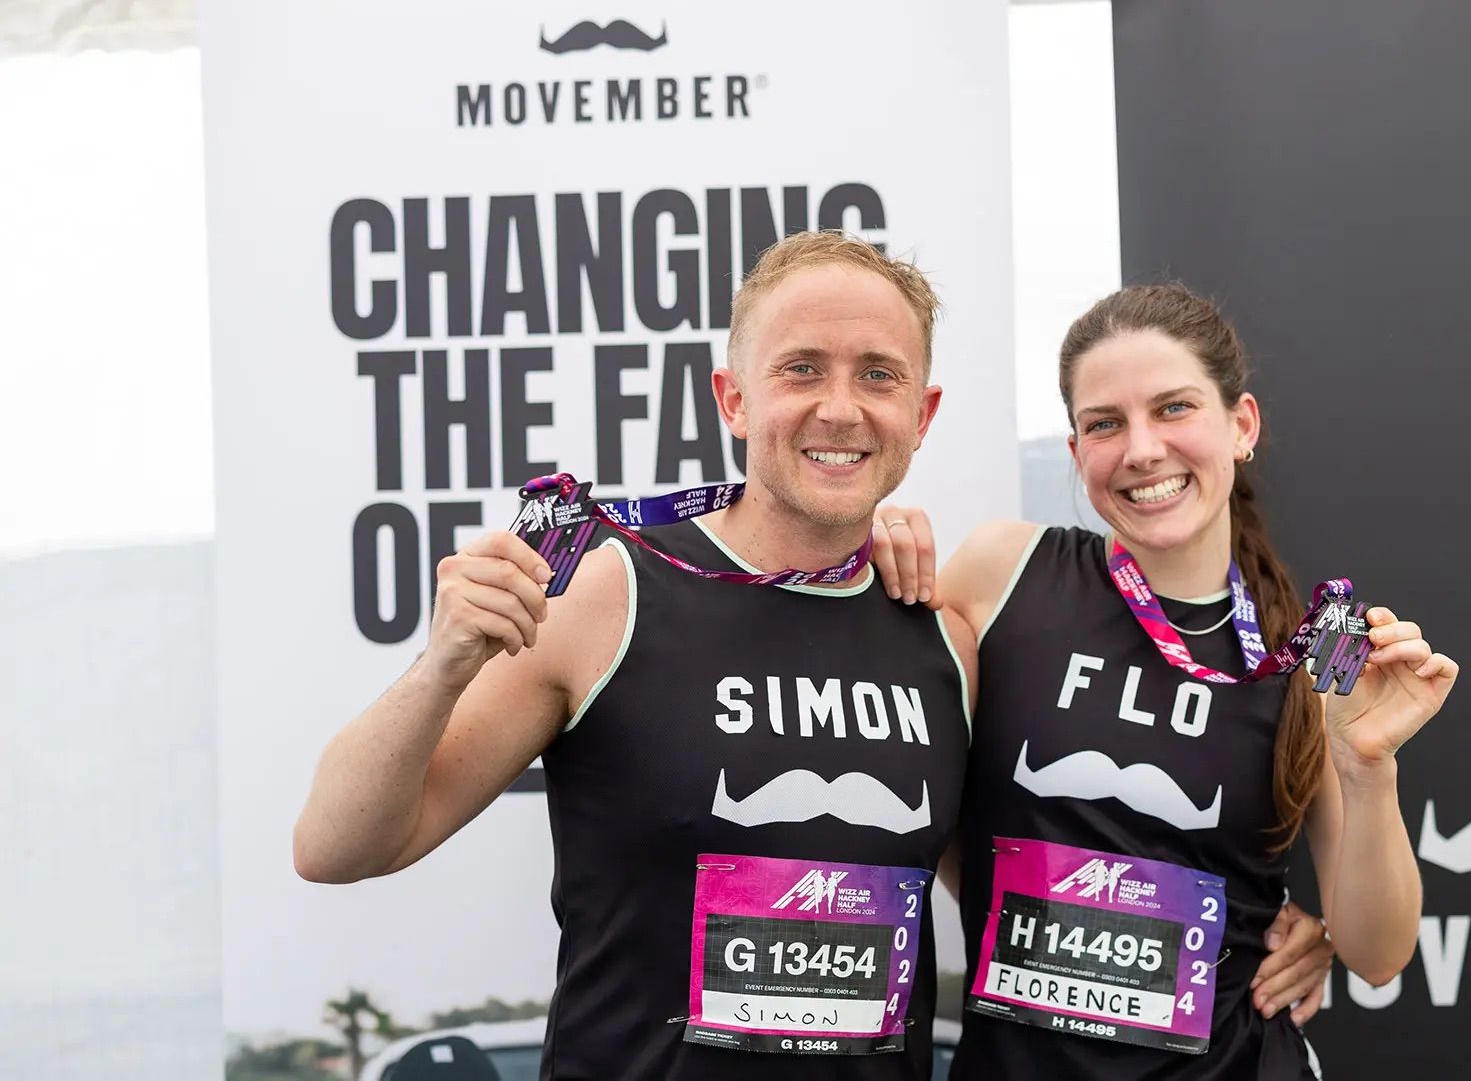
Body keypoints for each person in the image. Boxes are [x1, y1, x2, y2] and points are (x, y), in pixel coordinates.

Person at [292, 231, 976, 1081]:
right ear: (733, 399)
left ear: (922, 413)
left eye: (878, 373)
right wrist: (441, 667)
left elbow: (1014, 905)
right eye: (800, 369)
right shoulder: (606, 597)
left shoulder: (945, 638)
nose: (839, 407)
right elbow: (333, 847)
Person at [869, 283, 1459, 1079]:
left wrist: (1368, 768)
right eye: (1104, 423)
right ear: (1076, 454)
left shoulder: (1323, 642)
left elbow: (1380, 954)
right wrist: (864, 538)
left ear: (1239, 425)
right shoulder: (1001, 571)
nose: (1141, 450)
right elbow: (907, 790)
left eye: (1173, 408)